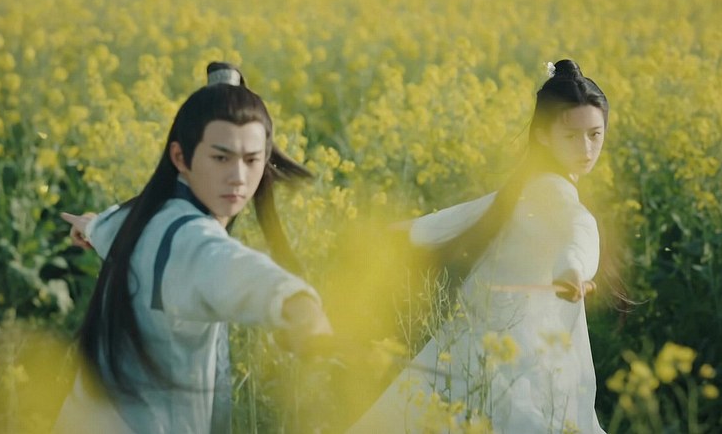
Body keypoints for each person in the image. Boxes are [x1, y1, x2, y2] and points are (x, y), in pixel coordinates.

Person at [53, 62, 332, 434]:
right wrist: (301, 309)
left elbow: (104, 228)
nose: (238, 177)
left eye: (252, 160)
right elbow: (235, 269)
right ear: (181, 158)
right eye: (221, 158)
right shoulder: (189, 240)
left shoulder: (136, 216)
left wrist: (88, 226)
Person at [348, 59, 611, 433]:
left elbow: (464, 217)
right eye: (571, 136)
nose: (586, 148)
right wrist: (573, 267)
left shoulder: (527, 187)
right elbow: (579, 227)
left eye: (595, 134)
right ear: (542, 135)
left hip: (480, 348)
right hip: (515, 357)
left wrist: (400, 233)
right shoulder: (551, 190)